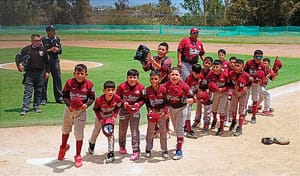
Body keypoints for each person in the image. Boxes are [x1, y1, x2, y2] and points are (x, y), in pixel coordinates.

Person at [57, 64, 95, 168]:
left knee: (79, 134)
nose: (80, 75)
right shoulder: (69, 82)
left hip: (81, 111)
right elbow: (64, 96)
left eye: (82, 74)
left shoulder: (89, 84)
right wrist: (69, 105)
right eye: (78, 73)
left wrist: (86, 105)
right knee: (65, 130)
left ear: (86, 74)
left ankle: (78, 155)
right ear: (74, 74)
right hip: (69, 110)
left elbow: (92, 98)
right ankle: (63, 147)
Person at [142, 42, 172, 138]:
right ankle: (155, 129)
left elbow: (165, 70)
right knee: (154, 106)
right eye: (159, 49)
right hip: (154, 86)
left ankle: (166, 129)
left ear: (167, 51)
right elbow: (146, 69)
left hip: (164, 86)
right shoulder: (153, 58)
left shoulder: (168, 60)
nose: (160, 51)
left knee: (164, 109)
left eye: (163, 49)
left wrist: (152, 61)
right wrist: (142, 61)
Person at [88, 80, 123, 163]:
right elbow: (95, 109)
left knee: (110, 133)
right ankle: (91, 143)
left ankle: (111, 152)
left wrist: (114, 116)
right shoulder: (99, 100)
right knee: (96, 131)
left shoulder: (117, 98)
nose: (110, 92)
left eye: (112, 90)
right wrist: (100, 119)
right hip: (100, 116)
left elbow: (118, 107)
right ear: (103, 91)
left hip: (110, 116)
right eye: (108, 90)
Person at [163, 67, 195, 160]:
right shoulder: (165, 85)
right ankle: (180, 139)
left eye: (176, 75)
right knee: (176, 128)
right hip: (172, 108)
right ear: (169, 76)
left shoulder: (184, 86)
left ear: (180, 76)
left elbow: (192, 98)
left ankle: (179, 149)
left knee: (180, 127)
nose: (174, 76)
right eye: (172, 74)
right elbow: (163, 98)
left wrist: (185, 100)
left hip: (182, 107)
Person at [16, 34, 50, 116]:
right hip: (30, 73)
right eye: (36, 40)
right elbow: (18, 57)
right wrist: (18, 65)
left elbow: (47, 62)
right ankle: (25, 108)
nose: (38, 42)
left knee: (39, 90)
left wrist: (47, 72)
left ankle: (36, 106)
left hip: (40, 73)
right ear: (32, 41)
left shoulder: (43, 49)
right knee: (28, 91)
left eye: (39, 40)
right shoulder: (27, 49)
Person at [116, 69, 145, 161]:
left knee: (134, 130)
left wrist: (138, 105)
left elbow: (143, 99)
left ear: (138, 78)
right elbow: (117, 98)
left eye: (134, 77)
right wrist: (123, 103)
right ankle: (122, 146)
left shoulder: (141, 87)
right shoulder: (121, 86)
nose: (132, 79)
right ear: (127, 78)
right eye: (130, 77)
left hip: (135, 111)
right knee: (122, 129)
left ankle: (136, 150)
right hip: (123, 111)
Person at [144, 70, 169, 159]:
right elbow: (146, 101)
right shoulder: (147, 90)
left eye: (156, 79)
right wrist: (149, 110)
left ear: (159, 80)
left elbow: (167, 101)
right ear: (149, 80)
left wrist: (165, 111)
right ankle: (148, 149)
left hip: (161, 112)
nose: (153, 81)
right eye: (152, 79)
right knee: (150, 132)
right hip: (153, 112)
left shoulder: (163, 89)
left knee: (163, 131)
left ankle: (164, 149)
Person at [228, 59, 252, 136]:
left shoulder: (246, 75)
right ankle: (234, 121)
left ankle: (240, 127)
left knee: (241, 110)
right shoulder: (231, 73)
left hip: (243, 94)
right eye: (235, 65)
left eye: (238, 66)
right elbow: (229, 83)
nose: (236, 67)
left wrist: (246, 89)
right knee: (233, 108)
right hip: (235, 93)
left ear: (242, 66)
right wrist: (233, 89)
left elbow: (250, 83)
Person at [41, 25, 64, 105]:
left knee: (57, 78)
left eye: (54, 30)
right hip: (45, 62)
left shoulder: (57, 39)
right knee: (44, 79)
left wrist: (57, 50)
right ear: (48, 32)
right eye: (51, 30)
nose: (53, 32)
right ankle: (43, 98)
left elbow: (61, 50)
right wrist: (50, 50)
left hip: (55, 61)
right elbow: (40, 51)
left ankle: (59, 97)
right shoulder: (43, 40)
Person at [207, 60, 229, 136]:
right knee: (214, 108)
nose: (215, 68)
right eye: (214, 67)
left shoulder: (225, 75)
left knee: (222, 109)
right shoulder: (211, 74)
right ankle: (214, 120)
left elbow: (229, 85)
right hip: (216, 93)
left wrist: (222, 89)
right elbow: (209, 83)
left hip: (224, 93)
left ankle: (221, 127)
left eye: (217, 67)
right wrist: (214, 88)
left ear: (221, 67)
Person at [244, 49, 266, 124]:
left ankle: (253, 116)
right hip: (248, 82)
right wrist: (249, 79)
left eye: (261, 58)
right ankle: (243, 114)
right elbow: (244, 72)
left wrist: (260, 81)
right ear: (254, 56)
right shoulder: (249, 63)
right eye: (257, 57)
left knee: (255, 99)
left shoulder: (262, 65)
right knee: (245, 98)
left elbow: (264, 75)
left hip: (256, 83)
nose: (259, 59)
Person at [192, 56, 213, 130]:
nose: (207, 64)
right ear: (203, 63)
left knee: (208, 107)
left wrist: (208, 89)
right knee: (198, 106)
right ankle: (197, 120)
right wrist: (197, 91)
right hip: (200, 90)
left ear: (211, 65)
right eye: (206, 62)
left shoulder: (212, 73)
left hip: (208, 91)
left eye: (209, 63)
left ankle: (206, 122)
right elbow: (195, 80)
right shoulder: (199, 71)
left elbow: (213, 83)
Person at [183, 63, 202, 139]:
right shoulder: (188, 79)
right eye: (195, 73)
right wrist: (193, 98)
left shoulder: (199, 77)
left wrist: (197, 95)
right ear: (192, 72)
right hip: (186, 98)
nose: (197, 75)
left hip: (192, 97)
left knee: (188, 113)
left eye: (198, 73)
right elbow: (186, 91)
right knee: (186, 114)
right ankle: (188, 130)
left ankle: (186, 128)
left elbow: (198, 88)